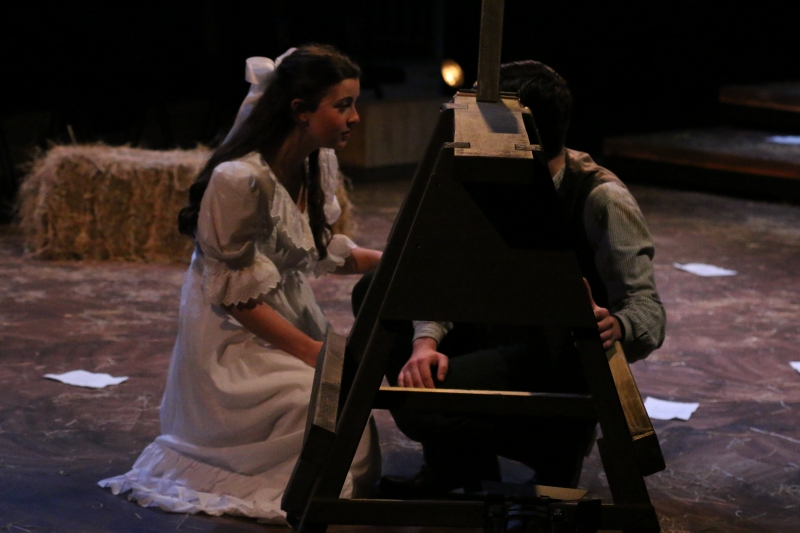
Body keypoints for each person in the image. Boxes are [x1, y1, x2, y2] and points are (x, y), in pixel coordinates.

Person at [99, 45, 382, 524]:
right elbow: (235, 299)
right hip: (236, 340)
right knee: (313, 409)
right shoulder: (239, 180)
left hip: (288, 319)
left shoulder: (315, 163)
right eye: (343, 105)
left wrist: (393, 261)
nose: (355, 117)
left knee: (347, 421)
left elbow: (318, 250)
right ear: (300, 111)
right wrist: (314, 354)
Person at [363, 60, 666, 495]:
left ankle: (551, 445)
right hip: (494, 329)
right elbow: (449, 273)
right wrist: (425, 342)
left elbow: (647, 310)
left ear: (516, 130)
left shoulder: (601, 198)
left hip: (552, 357)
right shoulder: (492, 177)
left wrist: (616, 324)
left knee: (419, 407)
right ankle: (457, 466)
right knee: (376, 289)